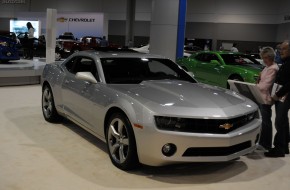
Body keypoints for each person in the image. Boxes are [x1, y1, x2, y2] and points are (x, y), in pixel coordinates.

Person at [264, 40, 290, 157]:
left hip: (285, 96)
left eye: (284, 49)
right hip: (282, 96)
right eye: (280, 49)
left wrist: (277, 94)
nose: (280, 51)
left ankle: (279, 148)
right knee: (283, 121)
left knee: (279, 121)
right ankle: (284, 146)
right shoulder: (286, 62)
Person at [256, 47, 279, 151]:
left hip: (266, 99)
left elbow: (265, 86)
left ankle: (266, 144)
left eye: (266, 57)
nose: (264, 60)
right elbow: (261, 83)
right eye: (263, 58)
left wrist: (254, 87)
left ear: (271, 57)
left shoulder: (273, 68)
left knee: (266, 122)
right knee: (263, 121)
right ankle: (262, 142)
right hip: (261, 97)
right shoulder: (267, 67)